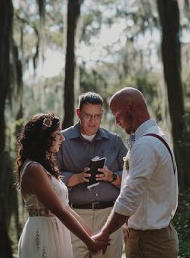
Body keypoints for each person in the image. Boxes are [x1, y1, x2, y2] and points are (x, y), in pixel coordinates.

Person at [93, 87, 179, 258]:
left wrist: (104, 233)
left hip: (149, 243)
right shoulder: (155, 136)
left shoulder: (145, 145)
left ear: (130, 108)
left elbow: (130, 196)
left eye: (117, 115)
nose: (117, 122)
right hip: (152, 238)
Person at [16, 112, 108, 257]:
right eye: (58, 134)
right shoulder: (33, 169)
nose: (63, 138)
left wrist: (92, 235)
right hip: (43, 233)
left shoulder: (44, 168)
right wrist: (88, 242)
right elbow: (59, 210)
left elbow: (65, 207)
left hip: (57, 232)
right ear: (45, 137)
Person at [56, 92, 129, 258]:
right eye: (88, 116)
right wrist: (77, 178)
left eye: (97, 116)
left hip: (110, 216)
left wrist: (112, 177)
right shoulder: (62, 140)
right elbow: (50, 177)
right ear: (78, 113)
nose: (93, 121)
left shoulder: (115, 141)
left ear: (102, 114)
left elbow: (131, 176)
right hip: (75, 217)